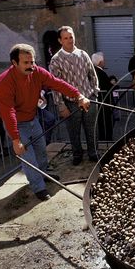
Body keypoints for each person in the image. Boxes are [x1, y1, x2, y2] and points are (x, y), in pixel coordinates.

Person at [0, 43, 91, 201]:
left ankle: (43, 173)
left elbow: (56, 83)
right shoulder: (4, 81)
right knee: (29, 158)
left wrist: (78, 95)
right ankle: (38, 187)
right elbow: (8, 111)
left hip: (33, 118)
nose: (31, 66)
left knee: (40, 151)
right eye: (26, 63)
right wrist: (16, 139)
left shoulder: (37, 72)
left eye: (32, 62)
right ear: (14, 63)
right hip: (17, 124)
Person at [49, 26, 99, 165]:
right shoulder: (56, 60)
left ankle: (93, 152)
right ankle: (77, 155)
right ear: (60, 40)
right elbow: (55, 84)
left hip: (88, 98)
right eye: (66, 38)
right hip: (70, 102)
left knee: (91, 129)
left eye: (71, 37)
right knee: (74, 131)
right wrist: (61, 105)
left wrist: (94, 93)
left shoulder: (83, 54)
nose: (70, 40)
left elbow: (92, 75)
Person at [91, 52, 114, 141]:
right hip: (104, 103)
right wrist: (115, 85)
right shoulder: (100, 72)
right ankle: (107, 140)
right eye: (103, 60)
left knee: (101, 123)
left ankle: (103, 139)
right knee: (106, 123)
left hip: (99, 102)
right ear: (100, 62)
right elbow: (107, 86)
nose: (105, 62)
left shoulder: (94, 71)